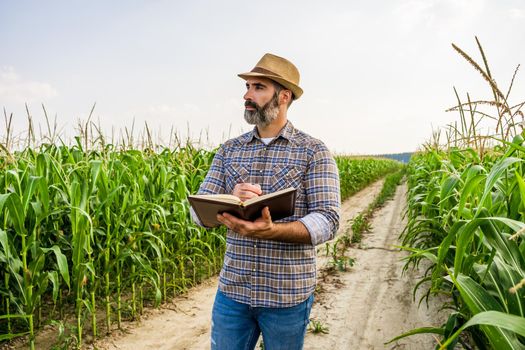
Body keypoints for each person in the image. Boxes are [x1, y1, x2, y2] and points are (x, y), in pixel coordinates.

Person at [190, 53, 340, 350]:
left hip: (286, 296)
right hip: (233, 292)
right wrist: (230, 200)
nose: (247, 95)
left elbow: (328, 219)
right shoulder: (228, 151)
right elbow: (198, 214)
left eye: (258, 87)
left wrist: (274, 231)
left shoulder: (313, 151)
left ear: (283, 96)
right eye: (247, 87)